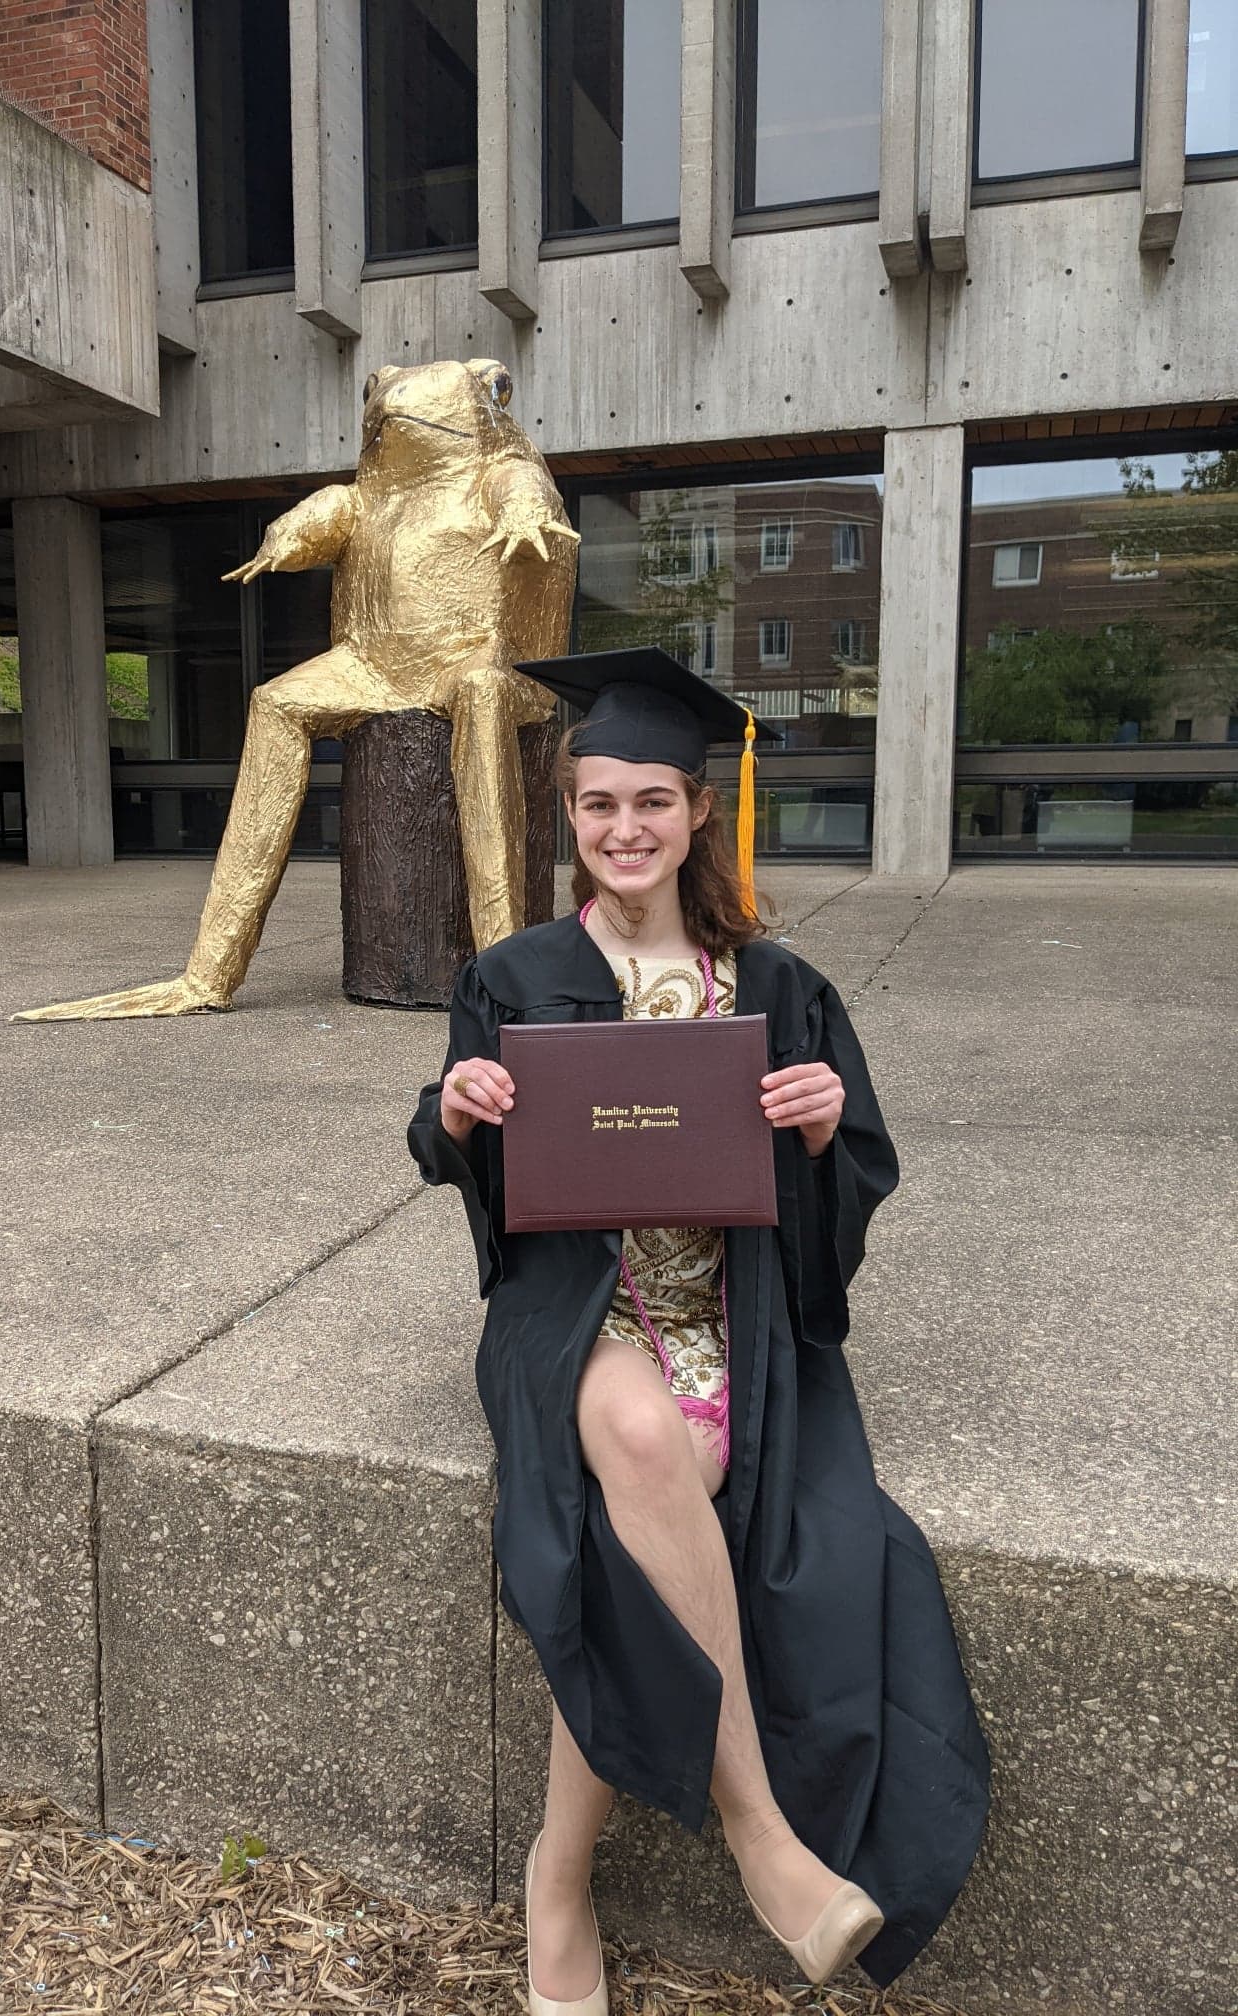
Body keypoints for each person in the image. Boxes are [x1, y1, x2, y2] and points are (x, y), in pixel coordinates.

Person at [406, 649, 989, 2012]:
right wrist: (456, 1113)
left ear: (695, 811)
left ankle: (558, 1881)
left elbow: (852, 1182)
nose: (625, 830)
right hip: (575, 1317)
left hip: (734, 1321)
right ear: (572, 815)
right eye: (600, 803)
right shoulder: (515, 972)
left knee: (652, 1512)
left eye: (652, 802)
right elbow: (470, 1180)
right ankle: (762, 1836)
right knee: (631, 1427)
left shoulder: (775, 983)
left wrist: (825, 1130)